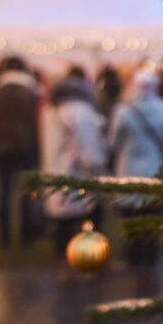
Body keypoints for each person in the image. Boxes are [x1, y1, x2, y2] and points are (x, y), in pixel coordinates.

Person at [109, 70, 163, 266]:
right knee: (153, 219)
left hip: (128, 172)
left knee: (131, 220)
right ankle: (150, 259)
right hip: (155, 171)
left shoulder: (123, 112)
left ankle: (135, 260)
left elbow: (113, 143)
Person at [42, 66, 108, 254]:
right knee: (88, 227)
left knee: (63, 229)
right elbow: (89, 152)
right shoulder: (81, 112)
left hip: (56, 177)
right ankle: (90, 260)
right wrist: (100, 168)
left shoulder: (51, 112)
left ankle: (63, 264)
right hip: (80, 177)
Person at [0, 56, 40, 248]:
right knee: (25, 191)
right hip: (26, 147)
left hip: (2, 148)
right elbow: (36, 124)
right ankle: (25, 234)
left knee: (4, 192)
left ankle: (4, 236)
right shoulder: (30, 92)